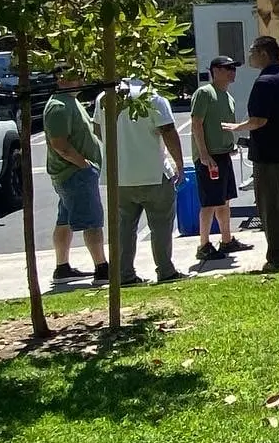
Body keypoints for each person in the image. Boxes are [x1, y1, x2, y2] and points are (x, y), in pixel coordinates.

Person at [224, 36, 279, 273]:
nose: (250, 55)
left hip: (271, 156)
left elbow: (259, 120)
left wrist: (236, 128)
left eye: (252, 50)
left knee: (270, 208)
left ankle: (275, 257)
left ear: (263, 53)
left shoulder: (264, 82)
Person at [94, 79, 188, 285]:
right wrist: (179, 164)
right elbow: (169, 131)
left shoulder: (104, 97)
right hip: (154, 172)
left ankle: (124, 274)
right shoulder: (152, 96)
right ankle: (165, 269)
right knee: (161, 226)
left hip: (119, 176)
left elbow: (98, 131)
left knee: (124, 229)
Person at [43, 67, 110, 284]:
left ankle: (62, 268)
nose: (81, 79)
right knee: (92, 221)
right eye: (75, 76)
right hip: (74, 173)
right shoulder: (59, 106)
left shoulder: (71, 102)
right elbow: (59, 144)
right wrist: (84, 164)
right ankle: (102, 268)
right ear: (60, 79)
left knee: (64, 220)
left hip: (73, 173)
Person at [190, 56, 253, 261]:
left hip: (223, 155)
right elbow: (196, 124)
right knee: (209, 203)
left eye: (233, 68)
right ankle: (204, 245)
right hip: (209, 158)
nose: (232, 72)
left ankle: (226, 240)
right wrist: (204, 154)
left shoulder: (227, 96)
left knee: (224, 201)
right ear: (215, 70)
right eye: (227, 68)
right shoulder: (204, 93)